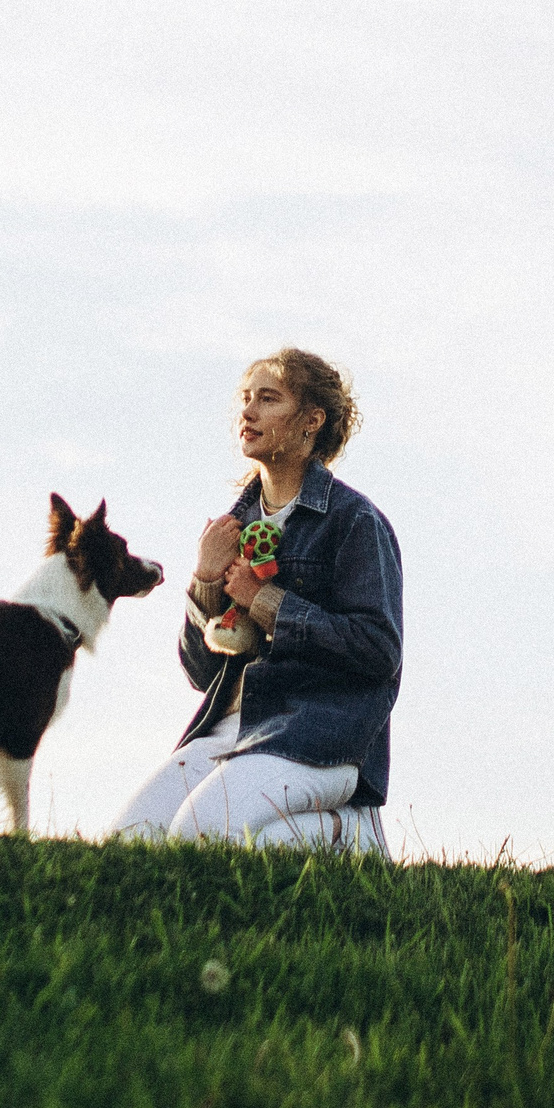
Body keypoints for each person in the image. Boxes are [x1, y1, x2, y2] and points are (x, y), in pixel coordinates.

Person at [111, 348, 402, 852]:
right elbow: (202, 673)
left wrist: (265, 599)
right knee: (131, 843)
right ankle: (329, 831)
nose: (247, 412)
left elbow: (378, 651)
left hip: (316, 737)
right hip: (231, 728)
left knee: (199, 836)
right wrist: (205, 578)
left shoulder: (354, 522)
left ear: (312, 420)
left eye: (268, 399)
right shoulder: (232, 526)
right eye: (245, 399)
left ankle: (350, 831)